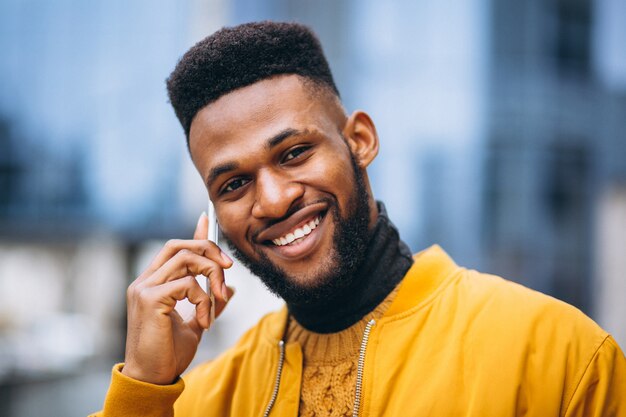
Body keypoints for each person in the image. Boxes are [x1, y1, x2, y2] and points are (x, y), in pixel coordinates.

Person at [93, 21, 626, 417]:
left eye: (295, 152)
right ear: (213, 216)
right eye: (234, 184)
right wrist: (145, 384)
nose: (274, 200)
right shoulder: (193, 401)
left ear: (360, 141)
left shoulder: (560, 357)